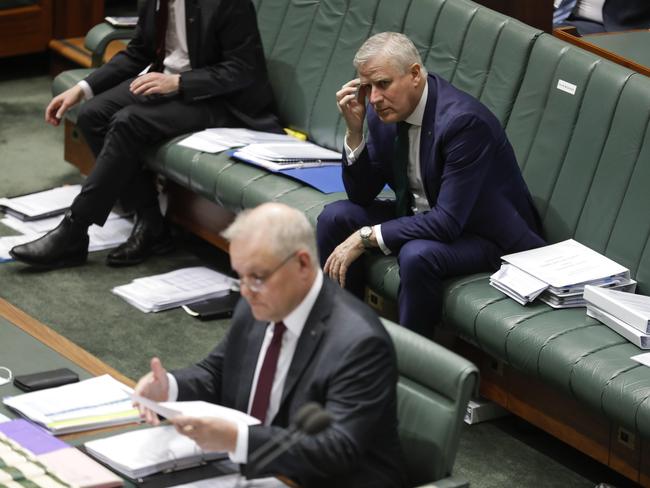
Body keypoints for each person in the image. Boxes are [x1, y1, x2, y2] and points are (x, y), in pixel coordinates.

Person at [134, 202, 408, 487]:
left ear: (302, 263)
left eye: (257, 277)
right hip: (258, 474)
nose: (246, 291)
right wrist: (169, 386)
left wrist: (237, 439)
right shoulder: (259, 304)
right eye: (240, 276)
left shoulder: (359, 342)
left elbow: (335, 449)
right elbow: (218, 372)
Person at [10, 0, 281, 269]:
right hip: (164, 81)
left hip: (217, 99)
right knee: (92, 114)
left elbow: (244, 69)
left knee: (129, 121)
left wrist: (179, 82)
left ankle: (74, 230)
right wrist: (83, 89)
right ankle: (151, 222)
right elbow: (139, 52)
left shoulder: (225, 3)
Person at [317, 32, 545, 336]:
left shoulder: (463, 123)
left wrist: (366, 237)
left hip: (484, 236)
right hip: (422, 217)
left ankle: (411, 366)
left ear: (414, 74)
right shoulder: (379, 112)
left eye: (383, 84)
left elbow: (448, 222)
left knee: (417, 254)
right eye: (367, 87)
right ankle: (339, 338)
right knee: (335, 217)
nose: (373, 98)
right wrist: (354, 133)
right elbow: (360, 194)